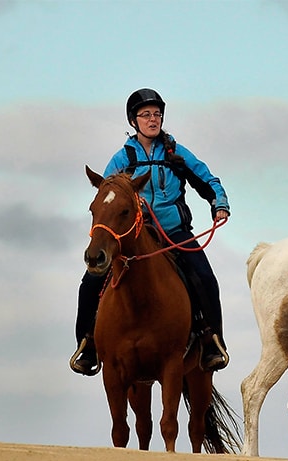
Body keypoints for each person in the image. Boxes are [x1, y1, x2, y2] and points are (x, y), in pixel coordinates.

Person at [70, 87, 231, 376]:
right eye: (145, 115)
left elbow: (206, 178)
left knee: (204, 276)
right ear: (134, 121)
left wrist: (218, 202)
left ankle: (211, 342)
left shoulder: (175, 153)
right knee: (90, 282)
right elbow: (107, 196)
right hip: (135, 234)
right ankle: (88, 345)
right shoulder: (122, 159)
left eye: (157, 114)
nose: (152, 119)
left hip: (173, 231)